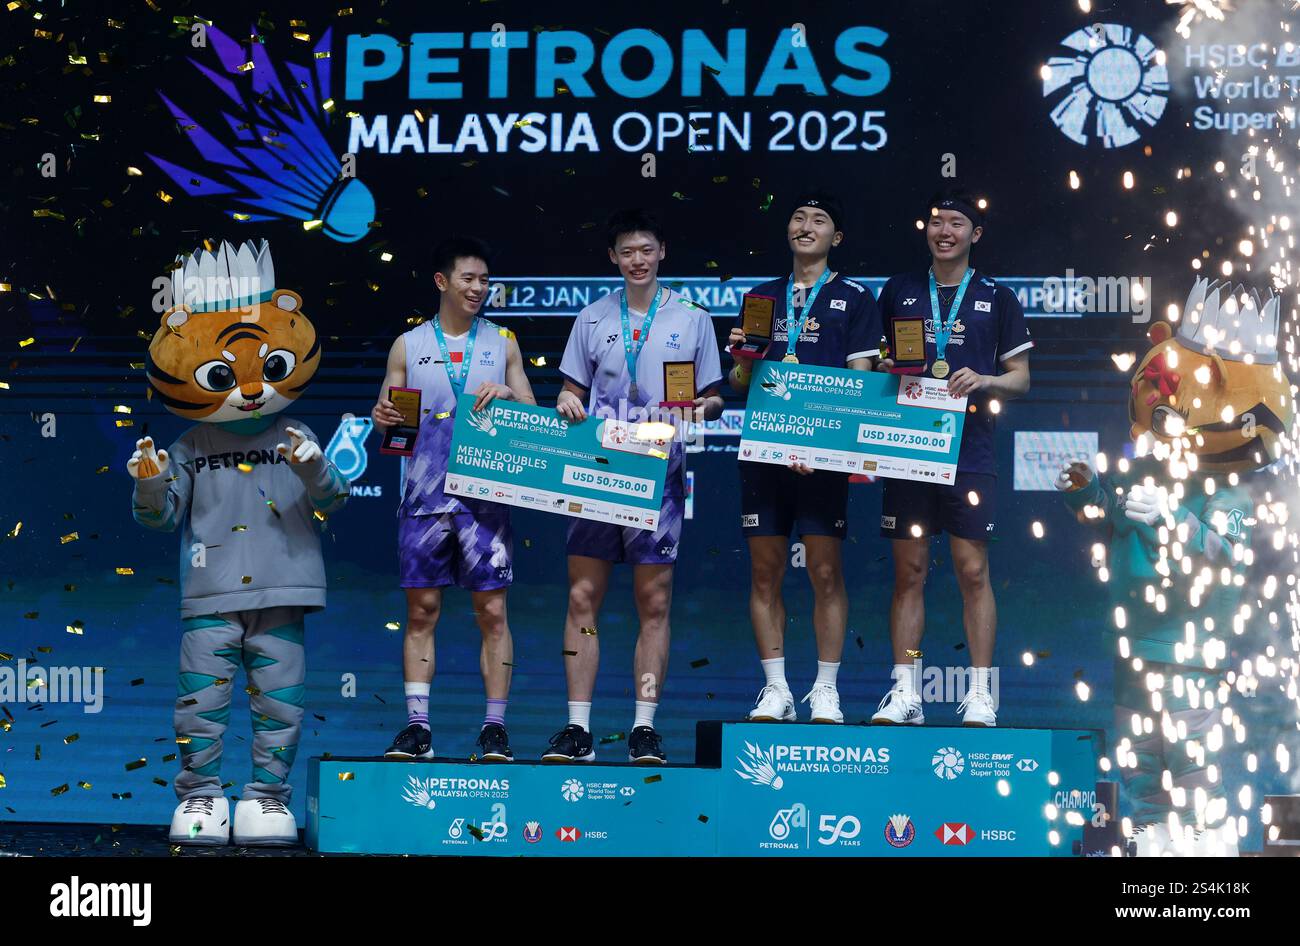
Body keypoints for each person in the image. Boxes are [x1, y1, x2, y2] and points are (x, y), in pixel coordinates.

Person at [544, 208, 724, 764]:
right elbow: (570, 392)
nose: (638, 260)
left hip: (660, 473)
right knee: (582, 597)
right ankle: (578, 730)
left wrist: (701, 407)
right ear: (613, 258)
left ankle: (644, 727)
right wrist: (567, 400)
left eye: (646, 249)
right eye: (627, 252)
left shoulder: (693, 318)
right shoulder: (592, 317)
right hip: (597, 470)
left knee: (654, 600)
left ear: (661, 251)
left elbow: (714, 398)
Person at [871, 189, 1032, 727]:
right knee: (910, 574)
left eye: (956, 223)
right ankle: (906, 691)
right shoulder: (899, 291)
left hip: (970, 451)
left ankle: (981, 694)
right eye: (936, 221)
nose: (944, 231)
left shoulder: (997, 297)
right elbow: (871, 368)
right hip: (907, 448)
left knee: (972, 571)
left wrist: (984, 378)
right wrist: (889, 370)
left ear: (975, 234)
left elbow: (1021, 378)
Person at [371, 237, 536, 762]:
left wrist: (511, 395)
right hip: (423, 497)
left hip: (485, 498)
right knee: (421, 611)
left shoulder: (503, 342)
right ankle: (418, 728)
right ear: (443, 282)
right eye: (469, 278)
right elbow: (389, 414)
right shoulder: (408, 344)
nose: (478, 288)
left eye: (485, 280)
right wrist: (383, 418)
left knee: (492, 612)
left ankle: (494, 729)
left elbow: (533, 409)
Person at [726, 193, 882, 724]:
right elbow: (741, 383)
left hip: (823, 459)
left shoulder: (856, 297)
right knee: (765, 572)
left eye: (819, 219)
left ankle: (826, 689)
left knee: (824, 571)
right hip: (765, 455)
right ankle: (776, 689)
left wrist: (823, 446)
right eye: (798, 217)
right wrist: (741, 358)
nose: (806, 225)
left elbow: (861, 379)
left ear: (836, 238)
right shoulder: (761, 297)